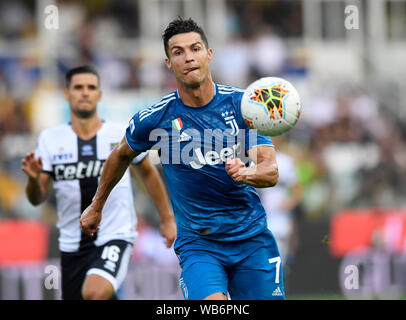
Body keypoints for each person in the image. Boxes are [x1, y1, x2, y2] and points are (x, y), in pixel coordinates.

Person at [81, 18, 284, 300]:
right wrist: (96, 205)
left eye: (195, 48)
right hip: (199, 245)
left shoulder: (242, 106)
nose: (188, 57)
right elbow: (120, 155)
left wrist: (246, 173)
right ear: (168, 63)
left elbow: (270, 170)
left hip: (251, 240)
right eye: (178, 52)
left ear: (209, 54)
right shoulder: (155, 119)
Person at [21, 65, 176, 300]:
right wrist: (33, 180)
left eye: (91, 87)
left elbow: (147, 172)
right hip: (72, 242)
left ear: (99, 95)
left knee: (94, 293)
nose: (85, 92)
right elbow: (37, 198)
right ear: (67, 94)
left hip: (115, 234)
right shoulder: (50, 140)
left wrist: (167, 219)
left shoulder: (118, 134)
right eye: (78, 87)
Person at [256, 136, 302, 291]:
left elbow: (297, 192)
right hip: (257, 221)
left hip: (279, 221)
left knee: (277, 263)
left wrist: (286, 204)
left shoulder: (286, 161)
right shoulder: (253, 160)